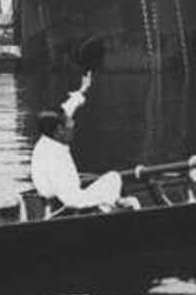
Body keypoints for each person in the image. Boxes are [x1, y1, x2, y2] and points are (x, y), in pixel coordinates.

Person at [28, 71, 139, 215]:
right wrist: (107, 202)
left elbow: (68, 107)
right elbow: (72, 201)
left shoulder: (48, 136)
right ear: (59, 130)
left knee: (113, 178)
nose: (73, 123)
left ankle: (112, 203)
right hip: (63, 211)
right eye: (69, 122)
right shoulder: (56, 161)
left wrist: (82, 90)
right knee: (116, 182)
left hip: (58, 200)